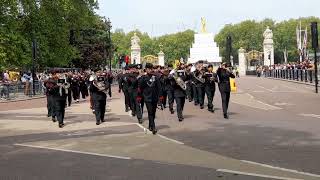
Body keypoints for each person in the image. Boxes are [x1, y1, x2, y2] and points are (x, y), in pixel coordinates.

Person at [137, 63, 163, 134]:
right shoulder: (143, 78)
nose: (150, 70)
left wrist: (160, 96)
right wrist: (139, 96)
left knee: (153, 113)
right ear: (146, 69)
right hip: (147, 97)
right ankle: (153, 127)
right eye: (149, 69)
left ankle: (150, 125)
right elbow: (140, 88)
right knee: (150, 112)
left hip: (154, 97)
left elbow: (159, 87)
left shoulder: (155, 77)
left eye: (151, 69)